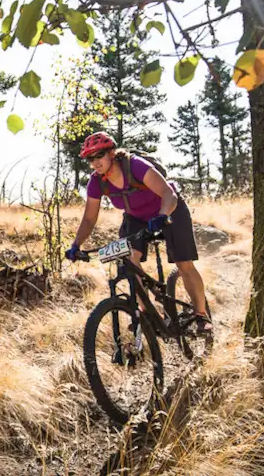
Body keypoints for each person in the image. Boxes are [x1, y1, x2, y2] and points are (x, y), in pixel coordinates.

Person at [65, 131, 212, 335]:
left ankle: (201, 316)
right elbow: (89, 218)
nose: (94, 162)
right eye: (90, 158)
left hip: (169, 209)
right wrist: (76, 245)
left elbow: (168, 194)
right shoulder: (96, 182)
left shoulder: (135, 166)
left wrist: (162, 216)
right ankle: (148, 314)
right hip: (137, 218)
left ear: (112, 153)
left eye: (99, 155)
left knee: (183, 263)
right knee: (129, 262)